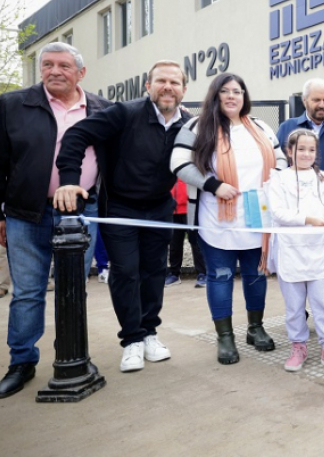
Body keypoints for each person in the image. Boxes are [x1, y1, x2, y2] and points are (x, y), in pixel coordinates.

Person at [54, 59, 190, 374]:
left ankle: (150, 333)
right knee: (126, 273)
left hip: (160, 208)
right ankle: (131, 340)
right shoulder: (123, 113)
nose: (167, 87)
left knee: (154, 272)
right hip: (120, 208)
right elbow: (76, 137)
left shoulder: (189, 124)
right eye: (161, 81)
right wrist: (70, 180)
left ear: (184, 89)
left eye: (174, 82)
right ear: (148, 86)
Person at [0, 42, 109, 399]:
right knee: (28, 292)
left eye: (63, 65)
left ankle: (71, 353)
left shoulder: (100, 110)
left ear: (81, 72)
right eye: (47, 65)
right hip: (25, 213)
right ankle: (21, 362)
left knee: (73, 288)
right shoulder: (13, 105)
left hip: (81, 212)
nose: (54, 71)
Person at [171, 73, 286, 364]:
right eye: (225, 91)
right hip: (216, 219)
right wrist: (214, 185)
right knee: (220, 277)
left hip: (256, 218)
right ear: (216, 95)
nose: (232, 96)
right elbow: (179, 163)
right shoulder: (197, 126)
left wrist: (275, 182)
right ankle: (225, 337)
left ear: (245, 96)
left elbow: (281, 158)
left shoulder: (259, 127)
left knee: (256, 275)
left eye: (238, 91)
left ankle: (255, 328)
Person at [268, 129, 324, 373]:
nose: (307, 154)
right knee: (294, 307)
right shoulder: (278, 179)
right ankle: (298, 347)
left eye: (311, 149)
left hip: (320, 253)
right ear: (289, 151)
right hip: (291, 253)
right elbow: (278, 213)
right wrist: (308, 219)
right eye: (301, 149)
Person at [276, 79, 324, 323]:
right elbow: (277, 166)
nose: (321, 104)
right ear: (305, 100)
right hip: (295, 218)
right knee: (295, 273)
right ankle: (300, 317)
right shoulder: (287, 127)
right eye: (316, 99)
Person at [165, 178, 207, 288]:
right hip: (173, 209)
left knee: (196, 242)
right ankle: (174, 274)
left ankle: (202, 274)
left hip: (190, 208)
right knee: (174, 243)